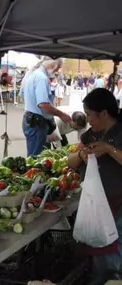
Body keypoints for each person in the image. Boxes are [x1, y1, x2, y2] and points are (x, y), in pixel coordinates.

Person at [68, 88, 122, 285]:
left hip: (117, 204)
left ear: (104, 113)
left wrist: (109, 149)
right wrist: (81, 155)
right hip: (96, 204)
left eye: (90, 114)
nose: (88, 120)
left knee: (111, 253)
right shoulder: (91, 135)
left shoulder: (119, 133)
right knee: (97, 250)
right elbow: (70, 162)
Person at [20, 57, 71, 156]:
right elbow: (43, 104)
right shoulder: (41, 78)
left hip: (30, 119)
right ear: (54, 65)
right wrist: (61, 114)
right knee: (36, 157)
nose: (56, 71)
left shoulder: (30, 74)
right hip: (37, 123)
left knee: (33, 155)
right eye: (57, 69)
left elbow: (22, 95)